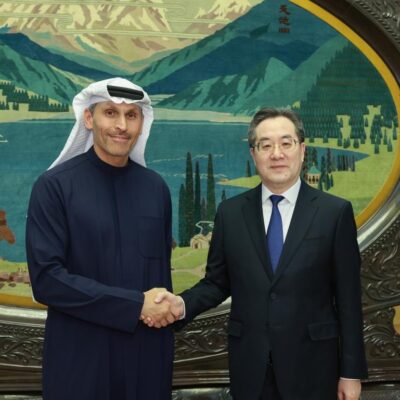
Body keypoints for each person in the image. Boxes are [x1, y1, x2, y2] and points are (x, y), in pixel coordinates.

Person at [144, 108, 368, 400]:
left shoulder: (334, 213)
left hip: (314, 368)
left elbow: (349, 300)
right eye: (265, 145)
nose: (277, 154)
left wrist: (351, 373)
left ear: (302, 150)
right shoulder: (231, 213)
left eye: (286, 143)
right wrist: (180, 304)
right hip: (251, 368)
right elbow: (216, 283)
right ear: (254, 154)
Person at [26, 78, 177, 400]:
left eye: (131, 115)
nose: (121, 125)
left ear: (142, 123)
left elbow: (160, 277)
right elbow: (47, 281)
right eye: (110, 113)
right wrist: (134, 305)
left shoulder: (156, 189)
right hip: (80, 360)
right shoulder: (53, 187)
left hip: (146, 362)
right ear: (89, 118)